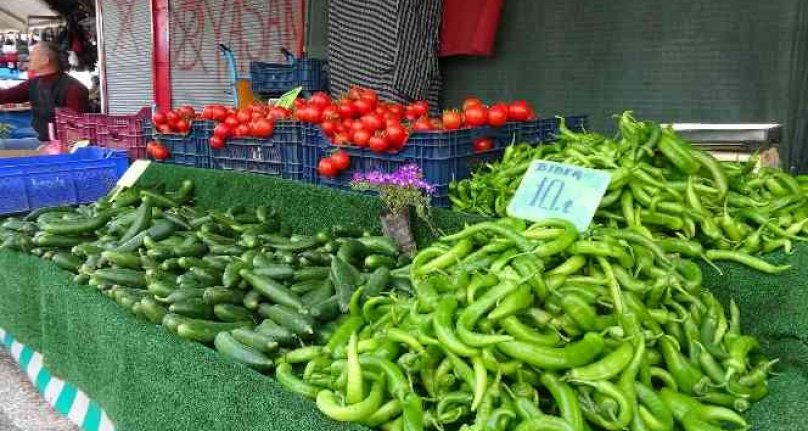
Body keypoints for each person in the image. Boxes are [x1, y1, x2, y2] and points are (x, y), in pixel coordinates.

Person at [0, 41, 88, 142]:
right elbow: (5, 95)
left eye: (32, 54)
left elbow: (76, 131)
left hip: (62, 147)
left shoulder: (74, 89)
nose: (28, 58)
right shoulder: (33, 83)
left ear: (45, 60)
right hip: (41, 140)